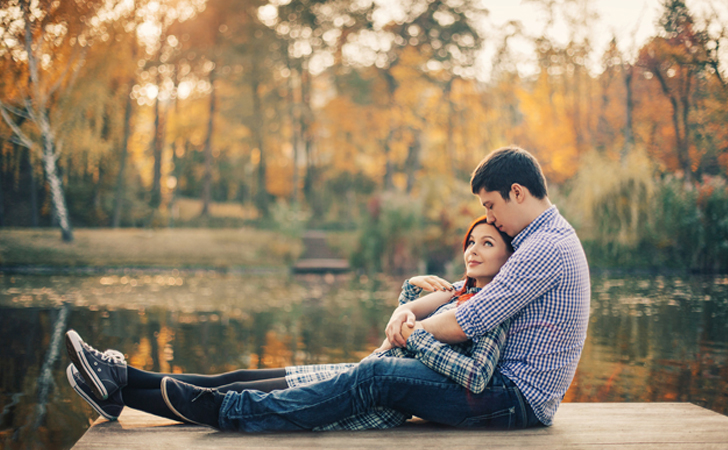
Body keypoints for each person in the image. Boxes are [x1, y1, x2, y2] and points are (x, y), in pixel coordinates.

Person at [66, 216, 515, 430]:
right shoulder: (458, 291)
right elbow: (396, 336)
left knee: (232, 394)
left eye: (487, 244)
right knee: (240, 376)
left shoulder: (492, 308)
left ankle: (119, 386)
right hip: (360, 373)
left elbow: (475, 374)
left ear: (508, 257)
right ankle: (119, 381)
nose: (473, 250)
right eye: (470, 241)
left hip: (373, 401)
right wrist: (409, 295)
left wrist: (417, 337)